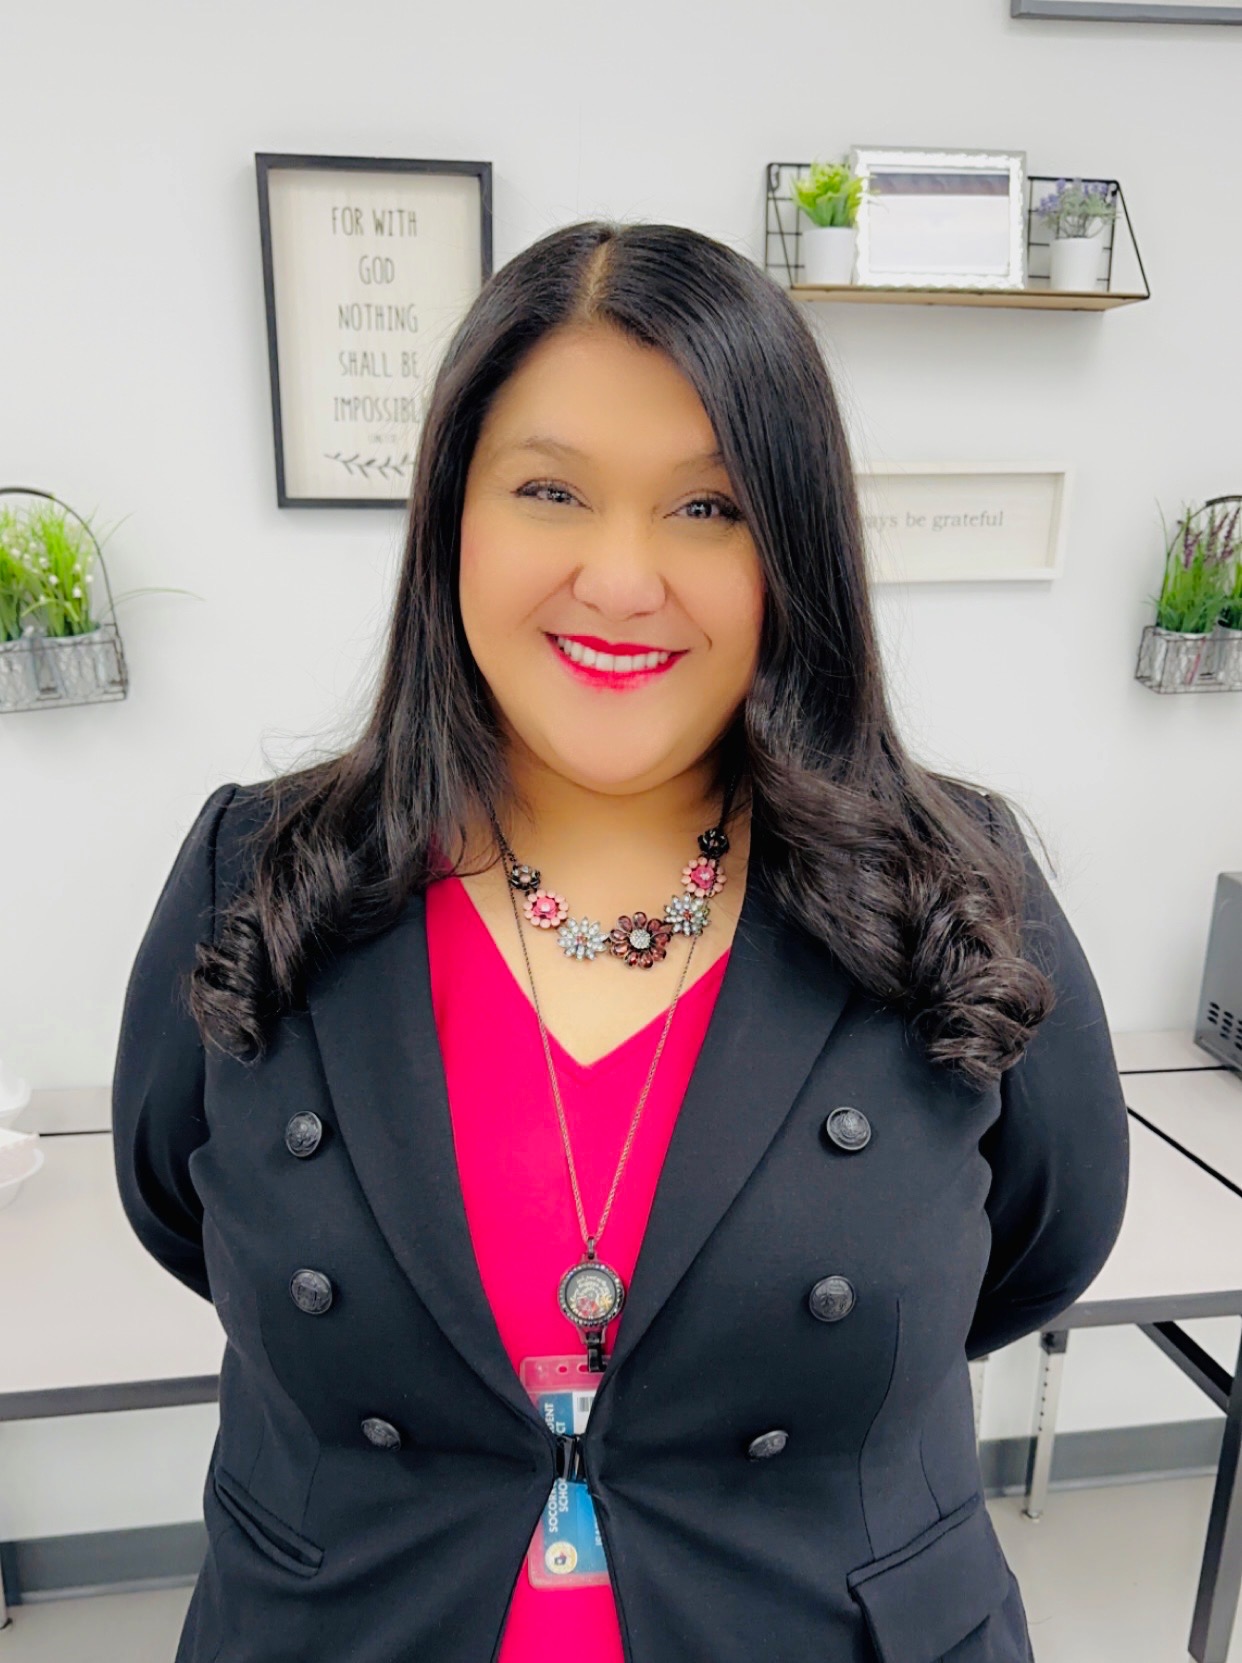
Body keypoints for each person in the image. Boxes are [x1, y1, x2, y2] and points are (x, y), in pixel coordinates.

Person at [112, 219, 1130, 1663]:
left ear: (796, 548)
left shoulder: (956, 882)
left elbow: (1038, 1244)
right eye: (549, 491)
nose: (619, 580)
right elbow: (180, 1210)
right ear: (451, 519)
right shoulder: (260, 871)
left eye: (708, 508)